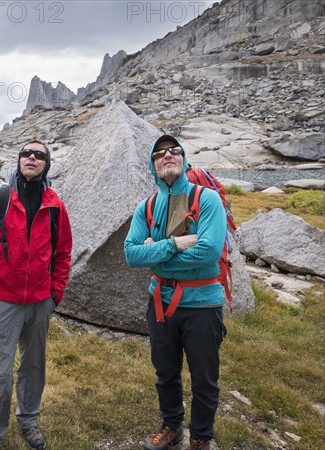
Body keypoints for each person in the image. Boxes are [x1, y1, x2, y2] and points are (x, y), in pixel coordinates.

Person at [0, 140, 73, 450]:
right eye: (26, 153)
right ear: (19, 160)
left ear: (46, 165)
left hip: (40, 303)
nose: (32, 158)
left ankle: (28, 421)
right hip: (5, 304)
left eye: (39, 155)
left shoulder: (55, 205)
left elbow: (63, 251)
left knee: (33, 367)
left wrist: (54, 295)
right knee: (0, 375)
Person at [124, 135, 227, 450]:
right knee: (165, 372)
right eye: (159, 153)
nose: (167, 155)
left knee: (204, 379)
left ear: (184, 160)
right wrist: (178, 243)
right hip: (160, 304)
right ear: (153, 166)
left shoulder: (206, 199)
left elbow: (208, 253)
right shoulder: (148, 206)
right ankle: (172, 427)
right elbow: (131, 255)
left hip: (202, 306)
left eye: (174, 151)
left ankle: (200, 438)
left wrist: (156, 253)